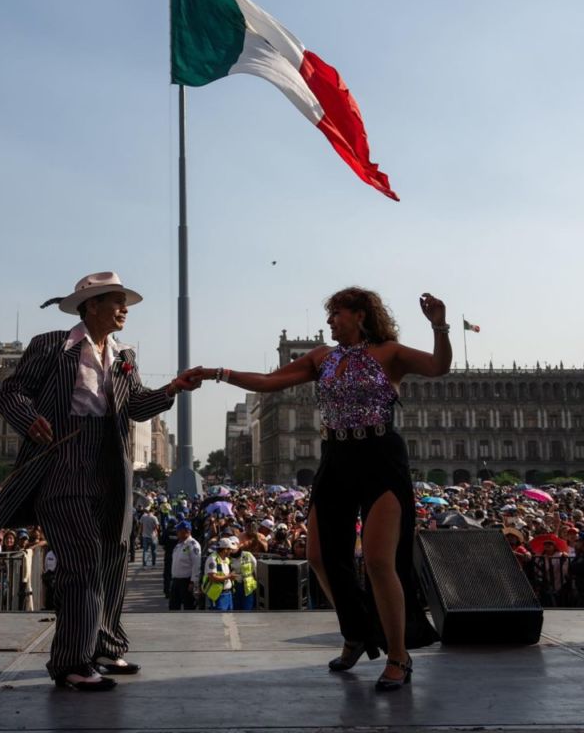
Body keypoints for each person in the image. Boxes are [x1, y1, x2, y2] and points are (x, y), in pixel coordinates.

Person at [198, 288, 451, 690]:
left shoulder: (390, 353)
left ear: (360, 315)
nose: (331, 321)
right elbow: (269, 381)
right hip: (336, 454)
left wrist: (439, 326)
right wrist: (217, 373)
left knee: (380, 561)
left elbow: (439, 366)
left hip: (380, 454)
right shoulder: (322, 357)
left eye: (337, 313)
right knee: (318, 555)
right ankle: (356, 631)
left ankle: (398, 656)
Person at [0, 271, 203, 691]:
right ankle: (71, 661)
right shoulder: (51, 345)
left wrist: (173, 387)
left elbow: (136, 406)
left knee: (114, 557)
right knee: (83, 560)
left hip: (111, 462)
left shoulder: (124, 356)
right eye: (116, 301)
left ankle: (105, 644)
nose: (124, 309)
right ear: (90, 306)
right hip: (63, 456)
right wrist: (31, 422)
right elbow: (10, 393)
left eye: (125, 302)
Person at [168, 520, 201, 610]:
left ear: (186, 531)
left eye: (179, 531)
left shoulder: (193, 545)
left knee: (188, 607)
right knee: (173, 606)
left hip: (186, 582)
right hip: (176, 581)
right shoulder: (179, 545)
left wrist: (193, 582)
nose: (177, 533)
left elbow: (196, 564)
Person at [203, 537, 236, 610]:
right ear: (225, 550)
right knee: (219, 618)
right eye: (230, 549)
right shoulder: (212, 559)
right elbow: (212, 577)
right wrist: (229, 577)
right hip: (218, 595)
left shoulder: (227, 559)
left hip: (228, 594)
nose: (231, 551)